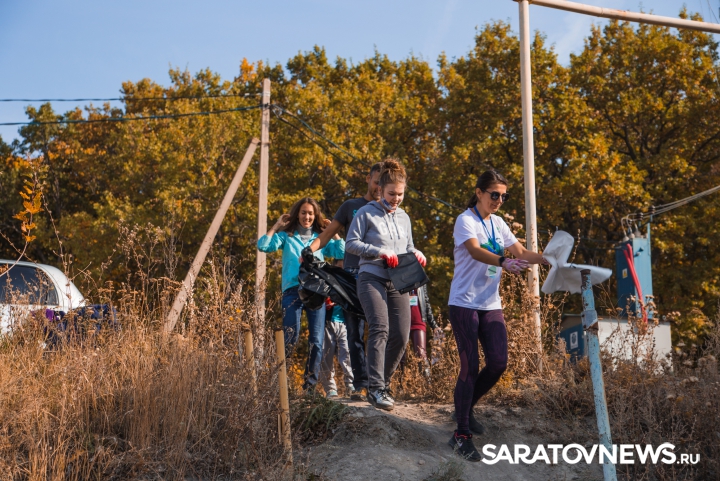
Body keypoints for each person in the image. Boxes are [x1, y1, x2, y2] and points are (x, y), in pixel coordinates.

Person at [446, 170, 547, 461]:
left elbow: (521, 252)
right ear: (479, 193)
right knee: (470, 366)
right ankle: (461, 434)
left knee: (499, 362)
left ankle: (464, 408)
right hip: (464, 303)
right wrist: (504, 261)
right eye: (494, 194)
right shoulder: (465, 220)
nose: (499, 200)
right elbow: (475, 251)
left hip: (490, 304)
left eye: (504, 196)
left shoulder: (499, 223)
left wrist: (548, 259)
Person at [345, 159, 426, 411]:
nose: (396, 199)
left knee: (401, 335)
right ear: (380, 189)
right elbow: (351, 244)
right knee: (380, 328)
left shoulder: (404, 217)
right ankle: (376, 387)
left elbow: (408, 246)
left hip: (398, 280)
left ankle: (383, 383)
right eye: (391, 194)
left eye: (400, 194)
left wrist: (417, 253)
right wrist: (378, 251)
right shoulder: (366, 212)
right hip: (371, 277)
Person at [308, 162, 383, 399]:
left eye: (384, 183)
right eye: (376, 181)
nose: (379, 187)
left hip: (381, 275)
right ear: (368, 179)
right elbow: (327, 234)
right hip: (352, 276)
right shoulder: (351, 206)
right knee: (354, 331)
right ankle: (361, 383)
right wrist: (308, 250)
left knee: (382, 330)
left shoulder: (390, 209)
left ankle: (380, 382)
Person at [257, 197, 345, 392]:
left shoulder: (320, 239)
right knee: (291, 336)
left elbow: (341, 252)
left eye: (311, 213)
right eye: (304, 212)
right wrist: (276, 226)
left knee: (317, 341)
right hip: (292, 291)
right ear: (297, 214)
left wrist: (333, 232)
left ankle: (309, 388)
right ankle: (281, 383)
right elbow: (263, 245)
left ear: (315, 216)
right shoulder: (287, 237)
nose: (307, 217)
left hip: (316, 292)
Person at [319, 260, 355, 398]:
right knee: (326, 356)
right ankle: (330, 389)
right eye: (338, 267)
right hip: (328, 323)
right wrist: (326, 303)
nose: (341, 270)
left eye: (343, 267)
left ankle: (351, 385)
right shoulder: (326, 283)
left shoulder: (348, 284)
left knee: (347, 354)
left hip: (344, 324)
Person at [402, 285, 439, 380]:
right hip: (401, 322)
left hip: (418, 322)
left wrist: (434, 325)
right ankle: (398, 385)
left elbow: (426, 301)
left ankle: (427, 384)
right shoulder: (398, 277)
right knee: (400, 356)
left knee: (421, 354)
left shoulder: (420, 279)